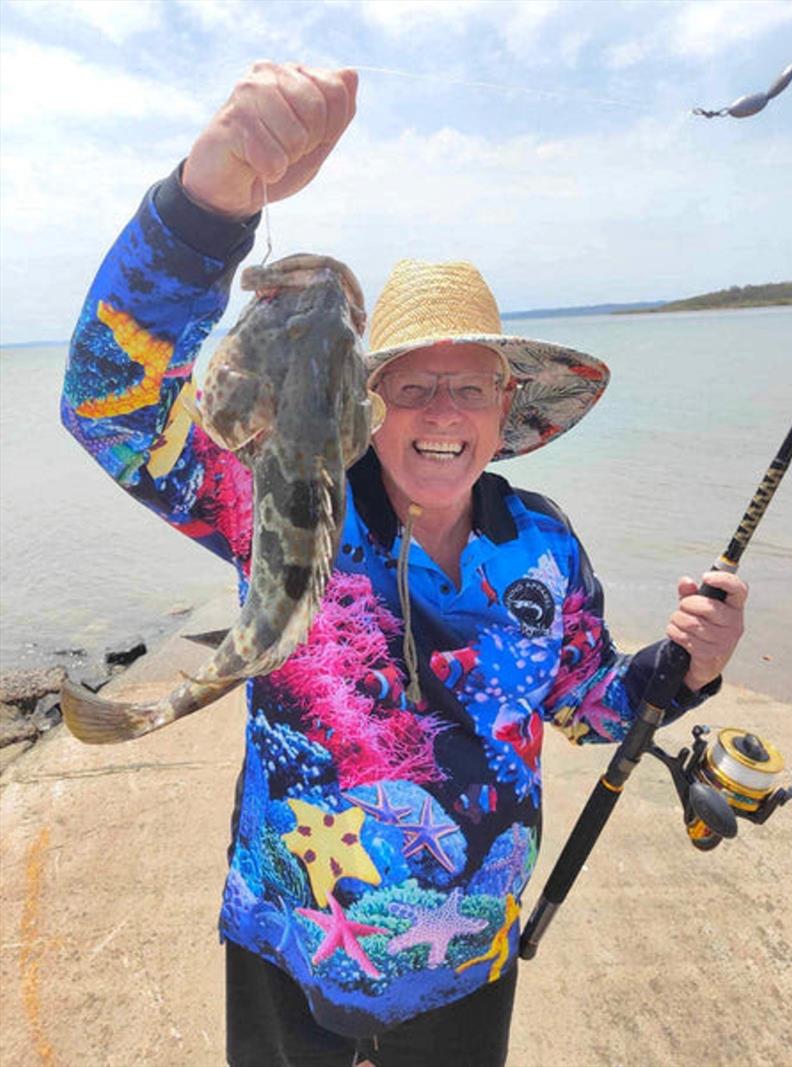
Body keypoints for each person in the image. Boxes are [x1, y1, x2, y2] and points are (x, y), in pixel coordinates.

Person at [61, 62, 747, 1067]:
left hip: (468, 959)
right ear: (362, 399)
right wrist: (205, 207)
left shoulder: (543, 548)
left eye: (465, 386)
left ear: (504, 406)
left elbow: (588, 705)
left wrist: (685, 664)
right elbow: (110, 399)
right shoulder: (282, 500)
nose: (439, 411)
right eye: (410, 382)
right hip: (291, 939)